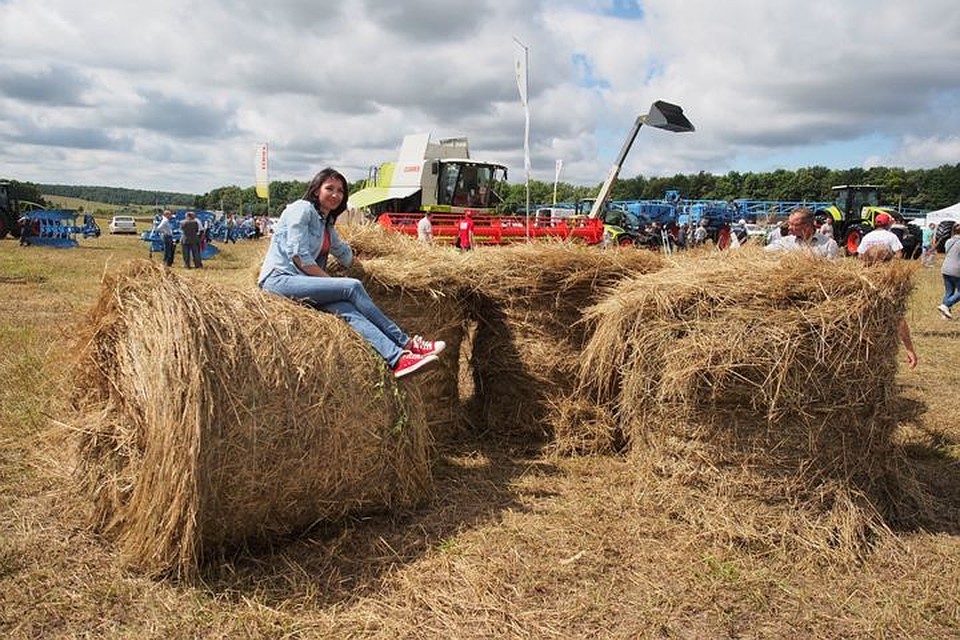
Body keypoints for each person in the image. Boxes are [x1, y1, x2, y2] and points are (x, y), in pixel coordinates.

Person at [257, 168, 445, 378]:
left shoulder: (326, 223)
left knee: (347, 310)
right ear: (316, 190)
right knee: (351, 286)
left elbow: (344, 254)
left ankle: (397, 359)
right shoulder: (301, 209)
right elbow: (299, 257)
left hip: (304, 285)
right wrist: (332, 284)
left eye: (340, 190)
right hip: (280, 280)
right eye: (330, 188)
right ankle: (407, 342)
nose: (336, 194)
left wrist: (384, 261)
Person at [860, 245, 917, 368]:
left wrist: (909, 348)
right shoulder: (890, 288)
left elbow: (898, 317)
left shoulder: (855, 283)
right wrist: (909, 348)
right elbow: (899, 319)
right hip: (877, 348)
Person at [765, 207, 838, 258]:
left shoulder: (829, 244)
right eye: (789, 224)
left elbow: (832, 271)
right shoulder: (784, 242)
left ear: (808, 226)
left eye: (794, 225)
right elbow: (763, 252)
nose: (789, 227)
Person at [937, 222, 960, 319]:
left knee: (949, 292)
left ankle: (945, 314)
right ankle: (946, 305)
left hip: (946, 268)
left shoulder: (948, 241)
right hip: (957, 269)